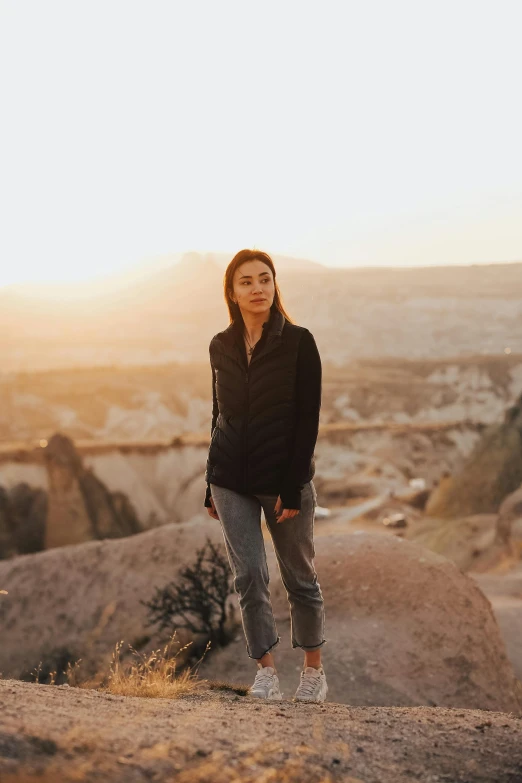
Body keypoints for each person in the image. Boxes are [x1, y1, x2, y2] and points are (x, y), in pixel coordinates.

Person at [204, 249, 327, 702]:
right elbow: (219, 414)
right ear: (232, 293)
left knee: (299, 576)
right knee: (250, 576)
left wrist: (294, 484)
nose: (257, 288)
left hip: (282, 481)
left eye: (264, 279)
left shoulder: (298, 342)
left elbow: (307, 419)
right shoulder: (220, 345)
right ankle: (267, 672)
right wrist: (209, 484)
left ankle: (313, 672)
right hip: (230, 478)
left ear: (275, 286)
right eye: (246, 282)